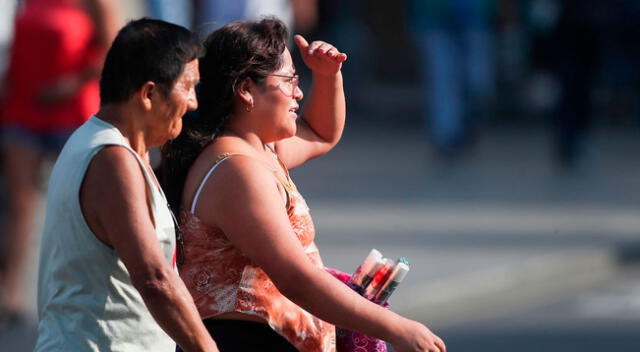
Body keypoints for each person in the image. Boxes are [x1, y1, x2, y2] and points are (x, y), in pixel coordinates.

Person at [159, 18, 446, 352]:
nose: (298, 91)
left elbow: (322, 133)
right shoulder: (236, 172)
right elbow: (296, 279)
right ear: (246, 90)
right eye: (288, 80)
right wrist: (398, 329)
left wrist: (327, 75)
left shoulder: (256, 149)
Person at [35, 18, 218, 352]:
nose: (193, 102)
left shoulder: (114, 149)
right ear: (148, 94)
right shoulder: (111, 160)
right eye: (187, 87)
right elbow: (155, 279)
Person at [0, 0, 120, 323]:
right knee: (19, 205)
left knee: (79, 204)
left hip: (72, 110)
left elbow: (112, 50)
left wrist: (69, 84)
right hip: (23, 109)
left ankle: (87, 291)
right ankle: (9, 290)